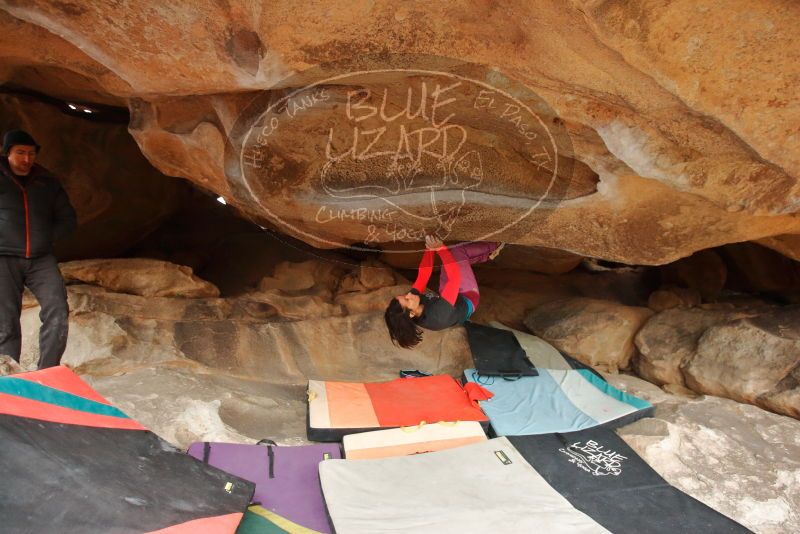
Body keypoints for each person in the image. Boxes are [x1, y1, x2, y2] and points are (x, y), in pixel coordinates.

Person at [0, 129, 77, 369]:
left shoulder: (47, 181)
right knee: (6, 319)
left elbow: (68, 219)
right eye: (20, 153)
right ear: (7, 153)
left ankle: (47, 371)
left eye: (31, 153)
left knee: (57, 308)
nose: (26, 159)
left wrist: (45, 239)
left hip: (41, 258)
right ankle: (7, 373)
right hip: (3, 257)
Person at [385, 236, 502, 348]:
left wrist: (430, 248)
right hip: (467, 297)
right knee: (456, 253)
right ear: (411, 314)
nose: (409, 294)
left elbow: (423, 276)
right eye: (406, 299)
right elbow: (454, 278)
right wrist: (440, 247)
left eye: (405, 296)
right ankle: (496, 244)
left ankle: (487, 255)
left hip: (448, 296)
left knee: (449, 258)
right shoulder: (438, 316)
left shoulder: (412, 306)